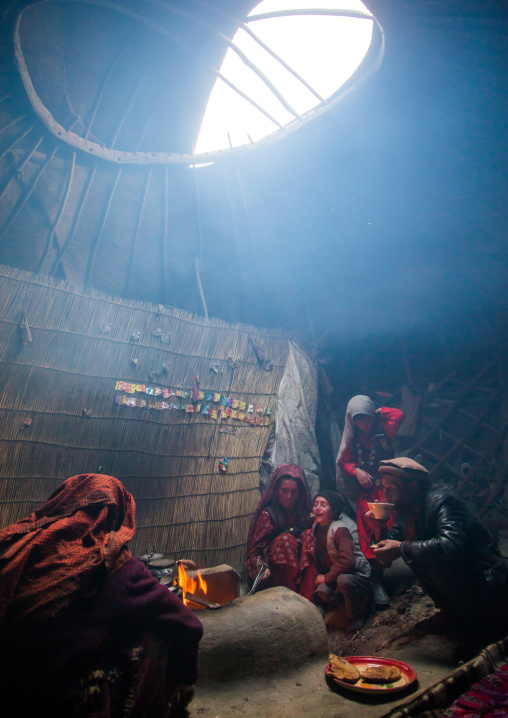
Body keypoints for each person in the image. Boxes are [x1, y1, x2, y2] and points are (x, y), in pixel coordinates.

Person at [0, 473, 203, 718]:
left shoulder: (16, 549)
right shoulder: (110, 565)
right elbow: (188, 624)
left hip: (13, 689)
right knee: (156, 631)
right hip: (64, 701)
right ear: (117, 515)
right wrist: (187, 678)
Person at [370, 457, 508, 640]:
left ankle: (480, 628)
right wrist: (378, 527)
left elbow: (450, 545)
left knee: (425, 556)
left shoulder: (442, 502)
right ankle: (452, 613)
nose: (385, 493)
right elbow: (393, 541)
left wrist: (402, 548)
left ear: (412, 487)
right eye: (383, 486)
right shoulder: (407, 509)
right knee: (415, 555)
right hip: (465, 579)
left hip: (486, 580)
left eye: (390, 488)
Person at [336, 394, 404, 606]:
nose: (363, 423)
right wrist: (356, 471)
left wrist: (374, 411)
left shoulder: (384, 431)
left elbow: (399, 415)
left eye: (366, 418)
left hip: (387, 491)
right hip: (365, 494)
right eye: (358, 419)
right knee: (368, 534)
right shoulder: (352, 439)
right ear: (351, 420)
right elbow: (345, 462)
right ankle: (377, 582)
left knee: (393, 528)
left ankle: (413, 567)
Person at [300, 491, 372, 631]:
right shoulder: (317, 527)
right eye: (315, 505)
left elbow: (348, 561)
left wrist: (326, 577)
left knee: (343, 581)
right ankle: (342, 606)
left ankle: (357, 614)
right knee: (322, 591)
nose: (318, 508)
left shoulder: (340, 530)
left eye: (323, 505)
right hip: (338, 573)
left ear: (333, 511)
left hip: (357, 573)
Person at [245, 463, 313, 593]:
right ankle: (286, 597)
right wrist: (261, 566)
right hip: (275, 575)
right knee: (285, 540)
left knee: (310, 534)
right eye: (284, 491)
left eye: (294, 492)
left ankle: (308, 597)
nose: (289, 497)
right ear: (277, 491)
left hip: (301, 571)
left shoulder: (304, 514)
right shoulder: (268, 515)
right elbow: (255, 552)